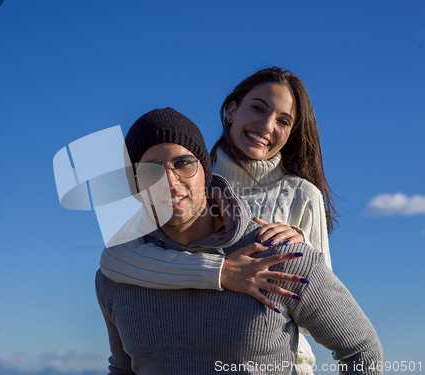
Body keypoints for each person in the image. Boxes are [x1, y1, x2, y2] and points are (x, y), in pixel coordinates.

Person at [95, 108, 383, 374]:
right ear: (135, 186)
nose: (169, 181)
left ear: (205, 173)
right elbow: (123, 369)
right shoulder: (116, 277)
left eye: (183, 164)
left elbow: (363, 353)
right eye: (150, 170)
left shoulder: (280, 257)